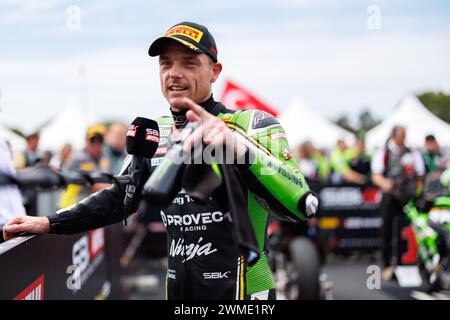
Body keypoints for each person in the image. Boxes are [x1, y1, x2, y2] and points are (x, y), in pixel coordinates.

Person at [3, 22, 317, 300]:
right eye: (165, 63)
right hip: (178, 291)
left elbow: (303, 205)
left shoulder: (251, 124)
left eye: (189, 63)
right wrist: (48, 222)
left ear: (215, 71)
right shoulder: (154, 131)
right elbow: (119, 198)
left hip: (244, 292)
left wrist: (237, 148)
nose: (174, 73)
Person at [371, 125, 425, 280]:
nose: (404, 138)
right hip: (389, 197)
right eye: (401, 135)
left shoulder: (412, 152)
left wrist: (416, 190)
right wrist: (384, 183)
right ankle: (387, 264)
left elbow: (420, 174)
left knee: (408, 230)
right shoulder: (384, 152)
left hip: (407, 198)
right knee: (387, 231)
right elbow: (376, 175)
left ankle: (408, 263)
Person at [58, 124, 111, 209]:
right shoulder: (79, 157)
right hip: (70, 206)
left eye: (100, 140)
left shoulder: (104, 158)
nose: (96, 144)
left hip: (87, 206)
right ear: (86, 141)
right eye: (92, 140)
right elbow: (97, 185)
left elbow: (108, 182)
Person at [0, 136, 26, 242]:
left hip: (13, 225)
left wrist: (21, 218)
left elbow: (12, 186)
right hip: (6, 225)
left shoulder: (3, 143)